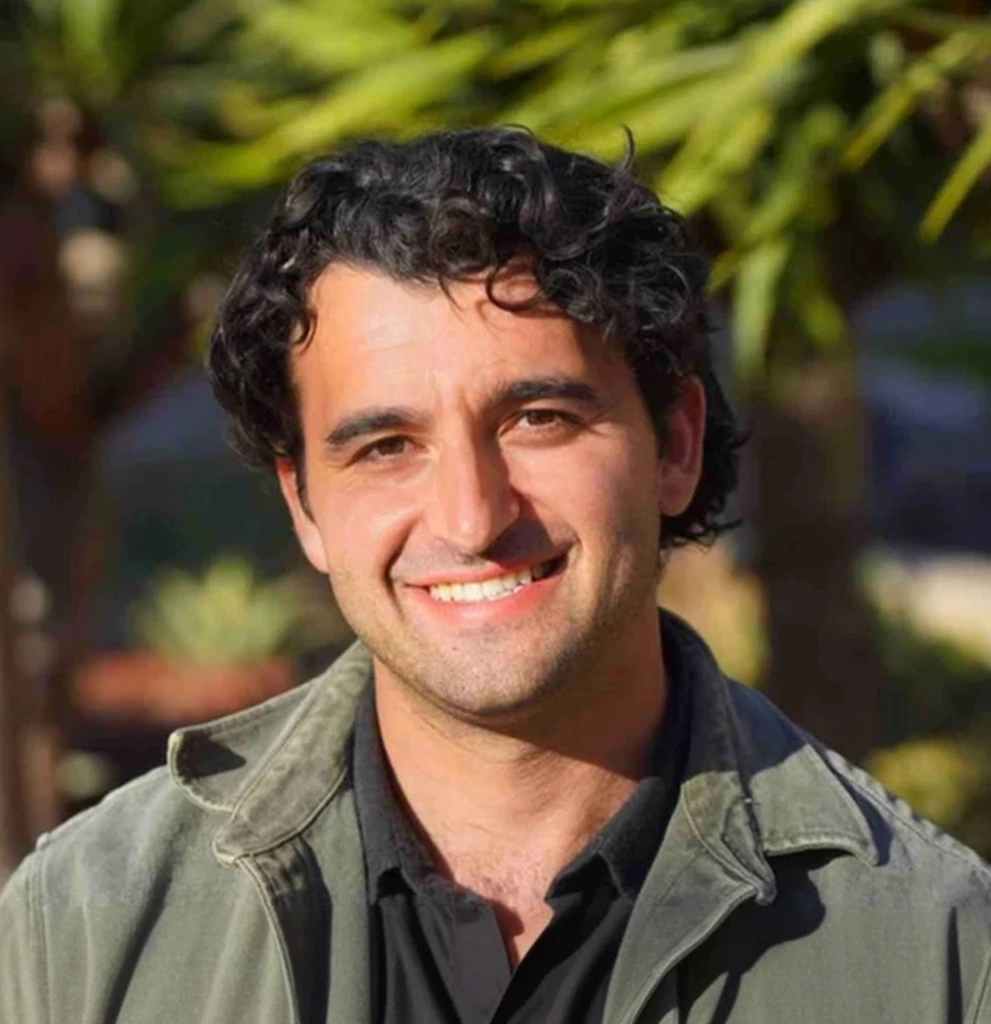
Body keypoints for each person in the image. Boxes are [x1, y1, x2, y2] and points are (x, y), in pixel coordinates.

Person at [1, 127, 989, 1024]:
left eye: (538, 419)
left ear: (675, 444)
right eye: (386, 445)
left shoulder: (932, 949)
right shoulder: (85, 928)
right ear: (304, 505)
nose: (473, 518)